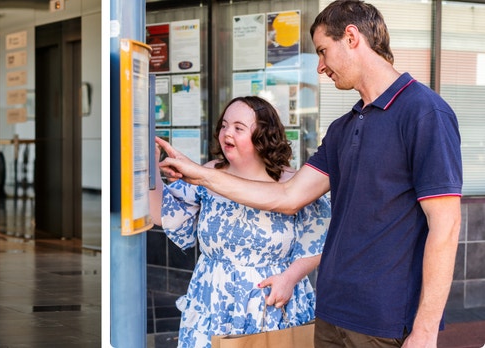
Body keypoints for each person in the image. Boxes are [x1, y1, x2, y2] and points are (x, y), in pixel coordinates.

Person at [157, 1, 462, 347]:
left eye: (322, 51)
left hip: (384, 320)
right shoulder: (343, 128)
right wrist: (199, 174)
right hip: (331, 314)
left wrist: (424, 330)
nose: (320, 67)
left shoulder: (424, 112)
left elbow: (446, 225)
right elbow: (288, 197)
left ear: (351, 37)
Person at [149, 96, 331, 348]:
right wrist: (148, 165)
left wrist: (289, 278)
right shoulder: (210, 173)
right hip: (212, 301)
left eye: (238, 127)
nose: (226, 133)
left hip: (270, 306)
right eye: (224, 125)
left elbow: (322, 238)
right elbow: (165, 215)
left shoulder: (292, 183)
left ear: (263, 135)